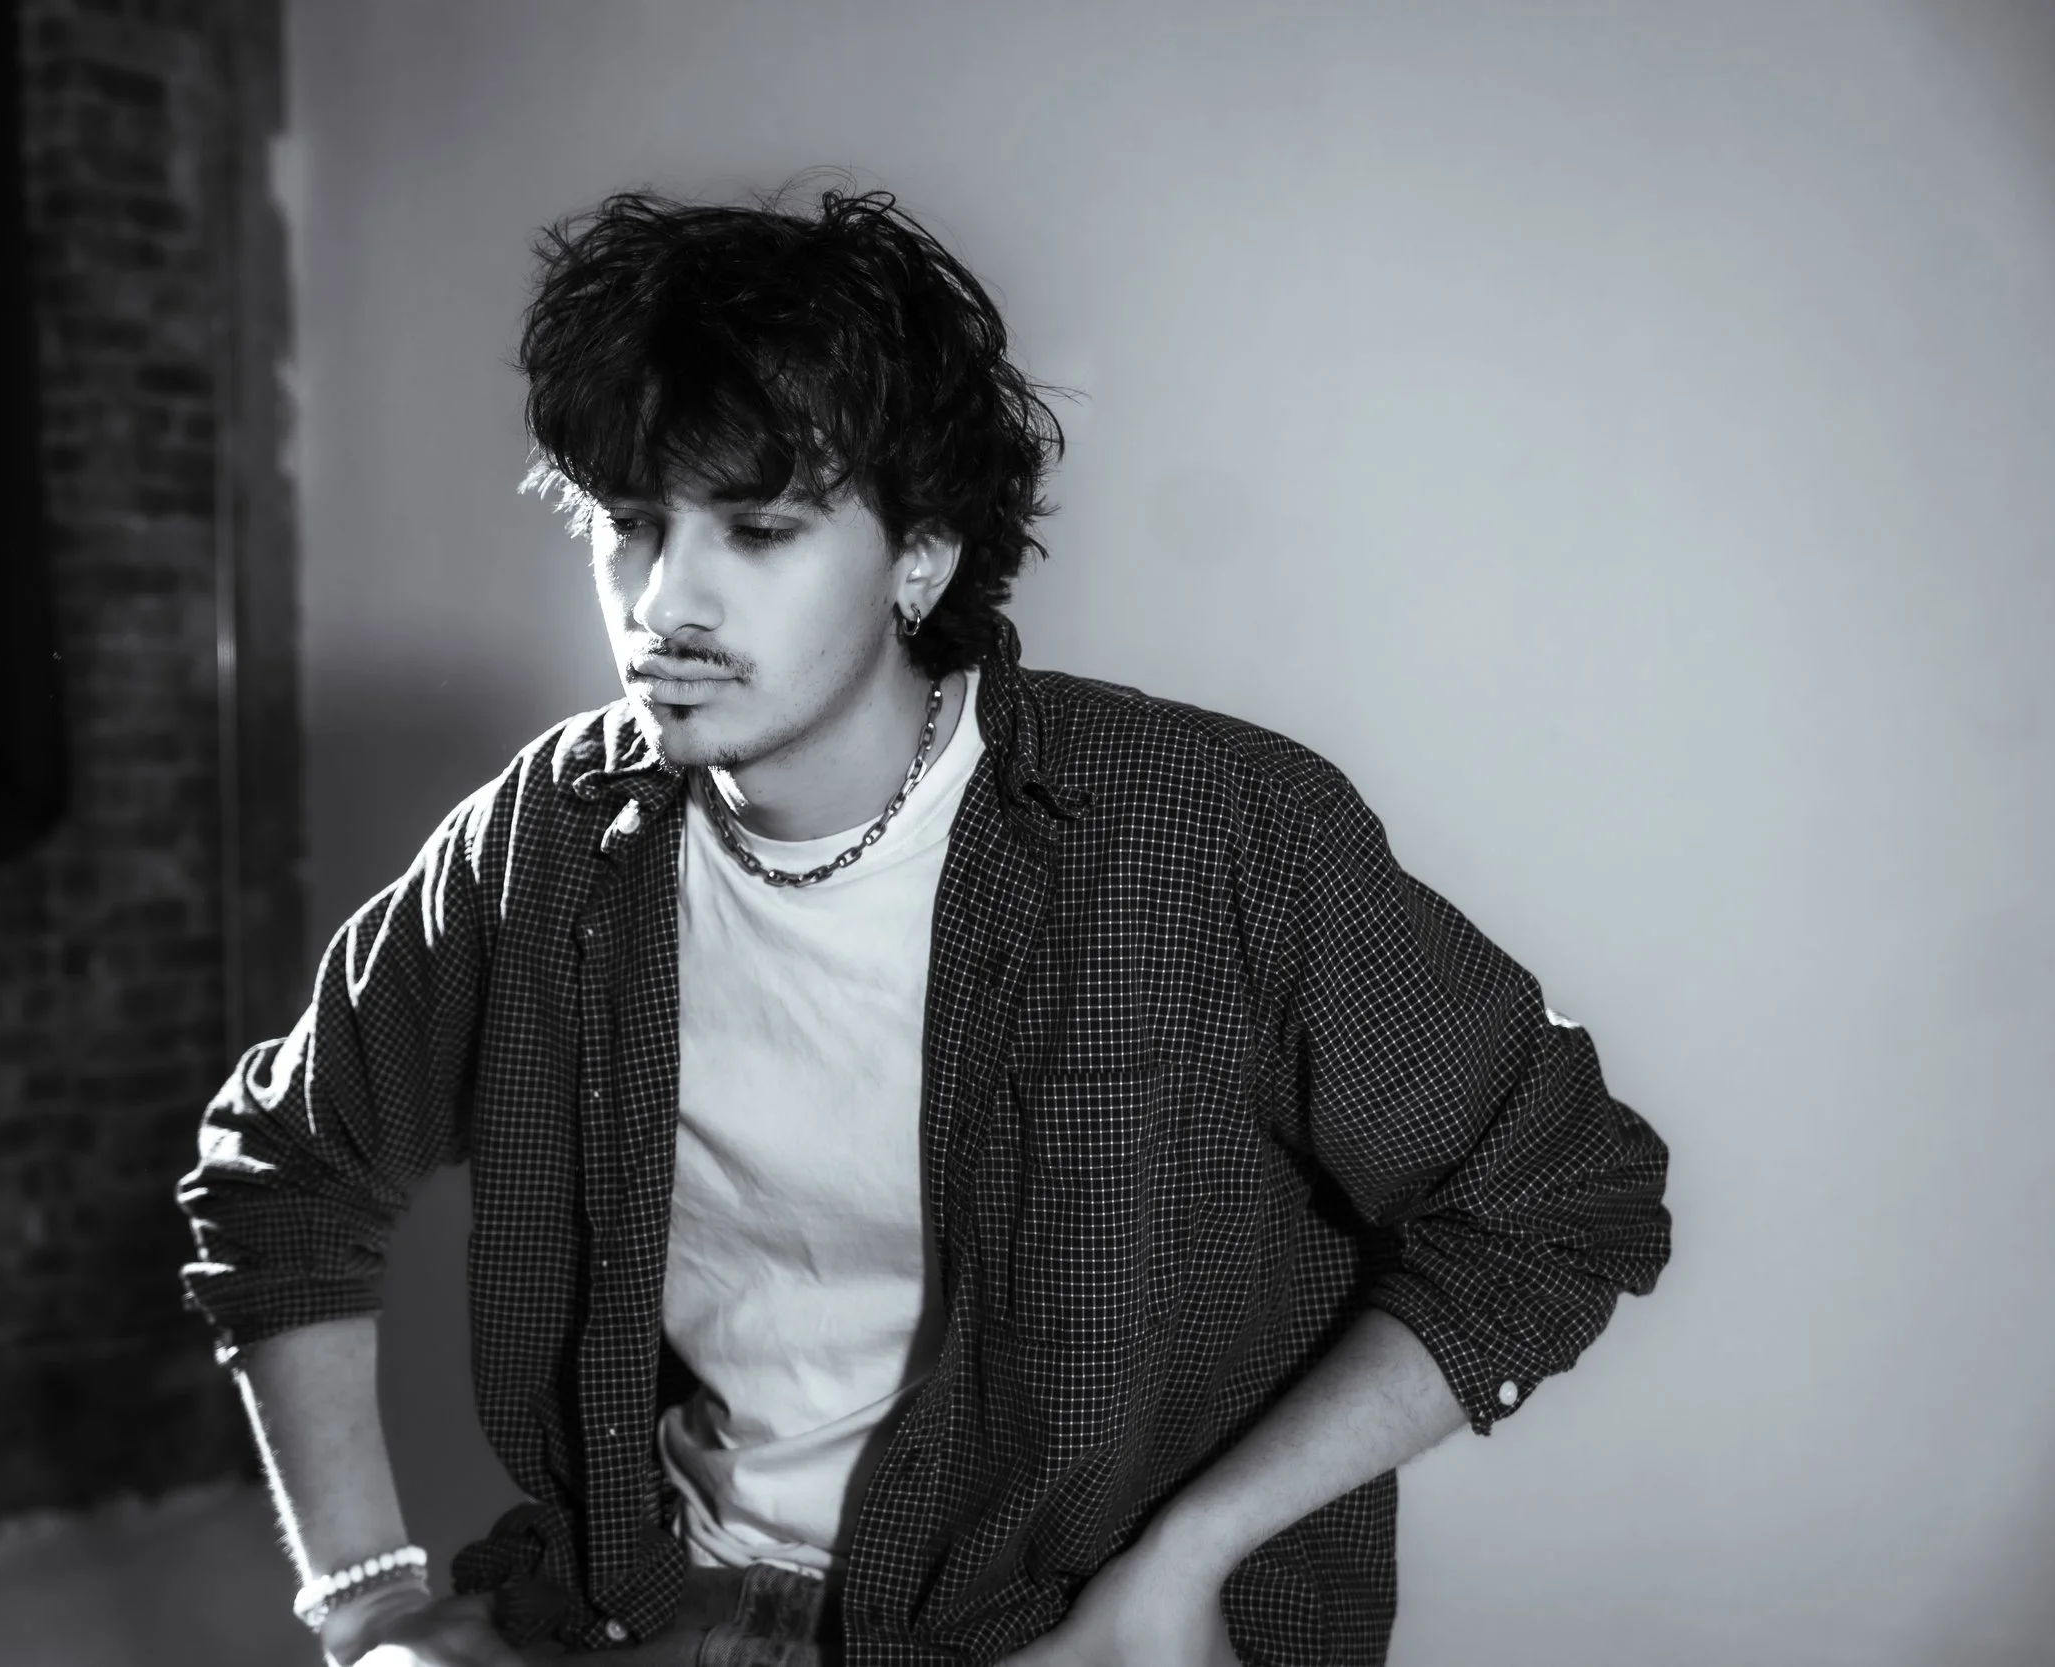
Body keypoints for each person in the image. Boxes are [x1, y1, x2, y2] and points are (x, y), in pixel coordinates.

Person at [176, 184, 1672, 1667]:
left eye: (757, 530)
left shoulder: (1202, 831)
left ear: (921, 558)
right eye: (633, 524)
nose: (663, 602)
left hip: (1062, 1627)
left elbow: (1561, 1197)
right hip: (662, 1599)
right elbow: (288, 1170)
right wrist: (365, 1599)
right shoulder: (555, 843)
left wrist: (1193, 1560)